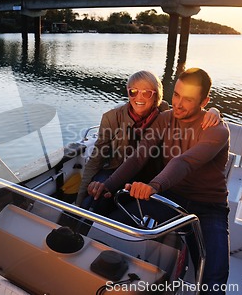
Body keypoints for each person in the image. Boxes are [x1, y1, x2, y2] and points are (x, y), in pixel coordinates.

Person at [87, 67, 230, 294]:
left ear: (205, 101)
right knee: (112, 228)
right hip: (171, 197)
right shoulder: (165, 118)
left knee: (214, 276)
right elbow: (138, 157)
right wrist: (108, 185)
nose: (179, 104)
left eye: (189, 99)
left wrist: (153, 186)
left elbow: (184, 162)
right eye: (176, 95)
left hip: (208, 207)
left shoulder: (217, 130)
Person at [75, 70, 221, 209]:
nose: (138, 97)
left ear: (157, 96)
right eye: (133, 92)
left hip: (152, 176)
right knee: (94, 199)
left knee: (129, 208)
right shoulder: (112, 118)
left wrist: (214, 112)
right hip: (118, 169)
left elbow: (191, 112)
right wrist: (80, 199)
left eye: (146, 93)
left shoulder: (165, 114)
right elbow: (98, 158)